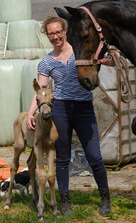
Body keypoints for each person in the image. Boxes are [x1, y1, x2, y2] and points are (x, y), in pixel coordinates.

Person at [27, 15, 111, 216]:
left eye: (58, 32)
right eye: (51, 33)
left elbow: (102, 59)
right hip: (61, 110)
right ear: (46, 35)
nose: (55, 36)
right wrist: (31, 112)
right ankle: (65, 202)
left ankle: (105, 198)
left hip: (84, 109)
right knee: (62, 158)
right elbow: (41, 90)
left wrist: (110, 58)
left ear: (65, 31)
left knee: (94, 156)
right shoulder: (46, 62)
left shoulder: (80, 51)